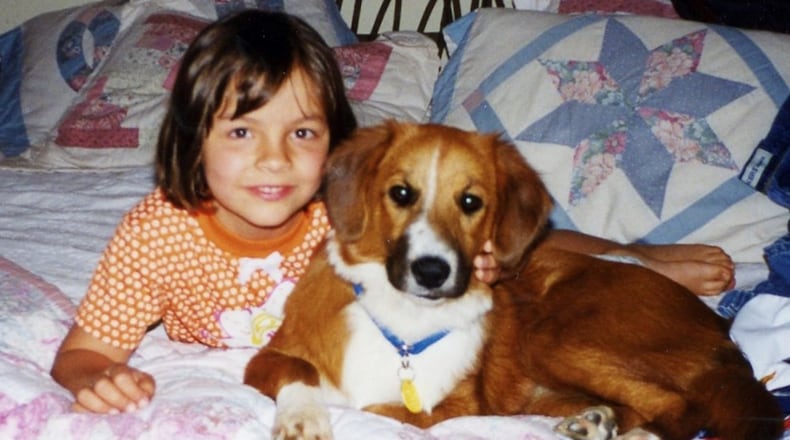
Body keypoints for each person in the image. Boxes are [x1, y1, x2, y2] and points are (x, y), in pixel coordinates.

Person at [50, 9, 736, 415]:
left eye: (302, 133)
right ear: (191, 142)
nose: (275, 161)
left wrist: (493, 257)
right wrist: (94, 377)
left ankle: (636, 253)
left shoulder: (339, 207)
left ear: (335, 147)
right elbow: (82, 351)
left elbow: (470, 237)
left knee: (500, 255)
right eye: (240, 132)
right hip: (294, 360)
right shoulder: (156, 234)